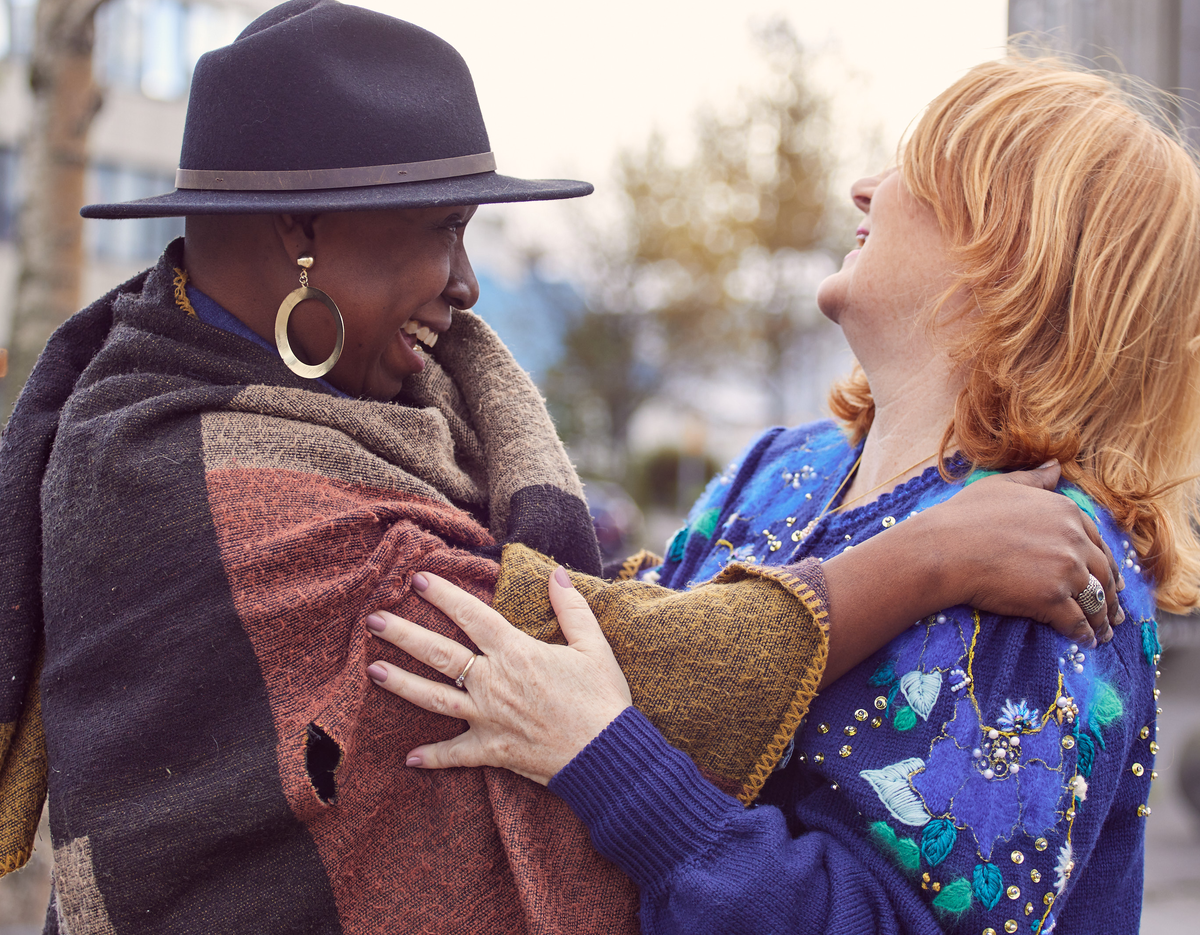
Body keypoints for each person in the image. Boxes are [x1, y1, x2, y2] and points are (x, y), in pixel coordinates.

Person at [0, 6, 1115, 934]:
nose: (468, 283)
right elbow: (587, 658)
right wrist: (927, 561)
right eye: (443, 228)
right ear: (302, 231)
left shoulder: (369, 407)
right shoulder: (189, 466)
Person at [370, 56, 1200, 935]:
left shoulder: (1044, 563)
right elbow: (624, 656)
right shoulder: (785, 465)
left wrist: (607, 762)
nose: (863, 188)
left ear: (1012, 247)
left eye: (914, 169)